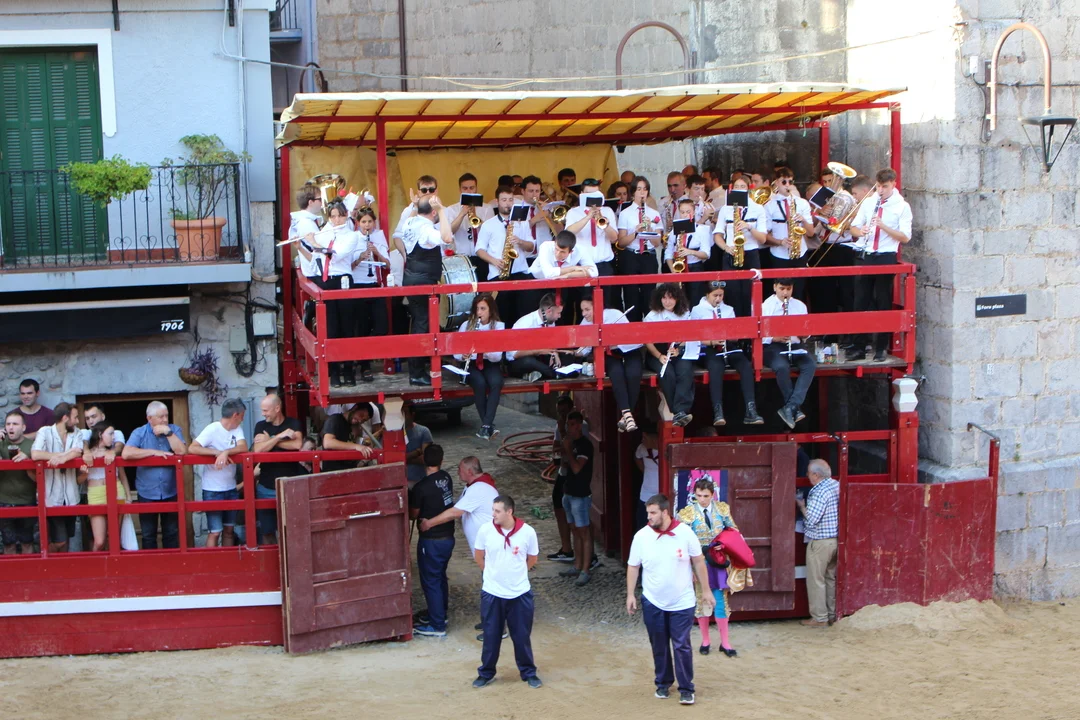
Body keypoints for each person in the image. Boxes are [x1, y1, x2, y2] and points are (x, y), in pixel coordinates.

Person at [626, 493, 714, 706]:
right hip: (652, 600)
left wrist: (706, 591)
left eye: (653, 513)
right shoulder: (641, 536)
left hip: (682, 601)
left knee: (681, 644)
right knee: (658, 643)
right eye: (648, 512)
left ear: (665, 512)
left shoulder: (685, 533)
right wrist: (630, 594)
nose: (649, 517)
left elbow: (699, 561)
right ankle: (663, 683)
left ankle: (686, 688)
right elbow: (633, 566)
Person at [420, 456, 501, 640]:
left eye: (460, 469)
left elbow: (455, 512)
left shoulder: (479, 489)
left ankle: (496, 628)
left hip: (491, 548)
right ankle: (490, 621)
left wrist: (429, 523)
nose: (457, 472)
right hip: (487, 548)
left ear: (469, 472)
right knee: (489, 585)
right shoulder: (474, 486)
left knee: (493, 588)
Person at [472, 494, 542, 689]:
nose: (493, 514)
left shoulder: (527, 532)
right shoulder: (485, 530)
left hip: (520, 593)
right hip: (492, 592)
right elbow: (479, 556)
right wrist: (491, 575)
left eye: (497, 511)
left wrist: (517, 575)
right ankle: (486, 672)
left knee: (522, 636)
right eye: (493, 510)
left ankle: (528, 673)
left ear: (509, 512)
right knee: (491, 636)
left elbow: (533, 558)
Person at [678, 478, 750, 657]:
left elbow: (734, 531)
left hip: (718, 562)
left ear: (712, 495)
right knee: (702, 601)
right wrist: (688, 569)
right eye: (699, 495)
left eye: (706, 496)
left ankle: (725, 643)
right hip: (698, 563)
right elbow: (681, 541)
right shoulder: (687, 513)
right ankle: (705, 641)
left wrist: (724, 544)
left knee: (720, 601)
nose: (702, 499)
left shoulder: (722, 509)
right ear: (694, 494)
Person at [848, 168, 912, 362]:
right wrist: (861, 231)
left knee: (883, 301)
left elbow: (905, 237)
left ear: (893, 184)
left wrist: (883, 226)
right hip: (866, 254)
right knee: (860, 300)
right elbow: (853, 227)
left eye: (884, 187)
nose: (881, 191)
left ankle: (881, 348)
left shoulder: (902, 206)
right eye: (878, 186)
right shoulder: (869, 202)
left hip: (886, 255)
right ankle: (858, 346)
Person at [395, 194, 454, 386]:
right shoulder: (427, 229)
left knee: (419, 324)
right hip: (423, 282)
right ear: (433, 212)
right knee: (423, 326)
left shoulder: (410, 221)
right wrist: (442, 211)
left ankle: (417, 370)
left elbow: (413, 215)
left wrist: (415, 204)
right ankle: (417, 373)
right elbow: (447, 237)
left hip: (411, 278)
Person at [692, 281, 762, 426]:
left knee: (745, 365)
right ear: (707, 295)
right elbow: (693, 336)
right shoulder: (697, 310)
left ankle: (751, 410)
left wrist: (730, 335)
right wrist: (711, 341)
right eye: (715, 295)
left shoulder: (728, 309)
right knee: (716, 367)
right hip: (708, 347)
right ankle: (718, 411)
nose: (718, 299)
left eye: (721, 295)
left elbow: (735, 336)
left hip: (727, 345)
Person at [123, 401, 188, 549]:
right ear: (149, 418)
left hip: (170, 490)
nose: (165, 420)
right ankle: (149, 563)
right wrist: (153, 452)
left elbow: (182, 451)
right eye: (161, 417)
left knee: (171, 533)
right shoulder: (140, 432)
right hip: (147, 492)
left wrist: (168, 433)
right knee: (148, 535)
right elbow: (126, 453)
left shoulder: (174, 430)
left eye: (166, 416)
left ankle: (171, 562)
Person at [409, 444, 456, 637]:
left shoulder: (421, 488)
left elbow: (413, 514)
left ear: (423, 460)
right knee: (440, 577)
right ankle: (440, 614)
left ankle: (437, 625)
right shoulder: (446, 478)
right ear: (442, 460)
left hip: (431, 541)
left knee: (431, 581)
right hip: (448, 537)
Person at [188, 398, 249, 548]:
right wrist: (216, 453)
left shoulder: (237, 429)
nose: (243, 419)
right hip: (213, 489)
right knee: (215, 532)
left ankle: (227, 559)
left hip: (230, 488)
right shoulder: (213, 429)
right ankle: (211, 560)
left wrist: (225, 452)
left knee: (229, 530)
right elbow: (193, 448)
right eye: (242, 416)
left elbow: (243, 447)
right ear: (235, 415)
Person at [578, 297, 643, 432]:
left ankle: (625, 417)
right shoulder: (585, 323)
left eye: (587, 309)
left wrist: (611, 338)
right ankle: (628, 416)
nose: (584, 314)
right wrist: (577, 352)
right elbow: (585, 349)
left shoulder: (615, 314)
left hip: (629, 350)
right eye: (582, 310)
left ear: (597, 306)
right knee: (616, 373)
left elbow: (629, 337)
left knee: (633, 374)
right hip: (609, 353)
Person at [315, 200, 361, 386]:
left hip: (344, 280)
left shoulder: (351, 236)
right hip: (328, 281)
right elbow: (315, 248)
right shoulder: (326, 231)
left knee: (347, 328)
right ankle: (334, 372)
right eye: (333, 216)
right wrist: (310, 239)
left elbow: (336, 254)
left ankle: (348, 371)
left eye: (340, 216)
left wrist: (314, 242)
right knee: (331, 328)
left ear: (346, 216)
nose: (336, 220)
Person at [475, 185, 536, 326]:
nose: (508, 203)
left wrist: (520, 241)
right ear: (497, 201)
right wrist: (494, 261)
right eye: (504, 200)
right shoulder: (489, 225)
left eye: (510, 200)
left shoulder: (522, 222)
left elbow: (532, 247)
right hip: (499, 274)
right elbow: (479, 249)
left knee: (523, 316)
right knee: (502, 317)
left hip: (520, 273)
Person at [762, 278, 817, 429]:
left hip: (795, 344)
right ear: (775, 287)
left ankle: (791, 406)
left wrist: (803, 334)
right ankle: (794, 408)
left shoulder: (799, 305)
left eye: (788, 289)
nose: (785, 293)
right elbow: (759, 334)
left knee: (810, 365)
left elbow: (807, 332)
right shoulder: (766, 306)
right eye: (782, 289)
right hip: (773, 346)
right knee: (781, 367)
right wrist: (775, 337)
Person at [713, 175, 770, 318]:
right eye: (736, 187)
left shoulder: (758, 208)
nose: (739, 190)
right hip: (731, 253)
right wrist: (726, 248)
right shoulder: (726, 209)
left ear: (749, 189)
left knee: (750, 294)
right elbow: (717, 235)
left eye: (742, 187)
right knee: (732, 294)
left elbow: (763, 238)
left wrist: (749, 227)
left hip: (750, 254)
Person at [30, 402, 84, 553]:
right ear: (65, 418)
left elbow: (78, 451)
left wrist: (62, 458)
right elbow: (36, 454)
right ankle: (41, 556)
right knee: (60, 541)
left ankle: (62, 565)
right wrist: (62, 455)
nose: (77, 421)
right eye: (75, 417)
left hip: (71, 496)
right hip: (52, 497)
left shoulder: (77, 432)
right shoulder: (45, 431)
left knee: (67, 537)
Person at [251, 394, 303, 545]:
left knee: (291, 530)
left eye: (266, 410)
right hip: (266, 486)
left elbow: (297, 445)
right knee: (267, 531)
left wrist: (270, 441)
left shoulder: (293, 423)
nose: (263, 414)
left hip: (289, 486)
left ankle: (290, 560)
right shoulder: (260, 426)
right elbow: (258, 450)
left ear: (277, 408)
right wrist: (280, 436)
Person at [643, 283, 696, 427]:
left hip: (677, 350)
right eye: (664, 298)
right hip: (657, 352)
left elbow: (690, 334)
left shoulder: (684, 313)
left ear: (677, 299)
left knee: (685, 371)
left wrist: (679, 348)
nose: (667, 302)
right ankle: (678, 411)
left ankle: (681, 410)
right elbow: (648, 341)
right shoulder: (652, 316)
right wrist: (659, 355)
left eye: (671, 298)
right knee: (667, 373)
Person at [454, 294, 506, 440]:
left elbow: (497, 357)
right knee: (480, 383)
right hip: (471, 363)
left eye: (483, 309)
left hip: (489, 362)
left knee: (496, 382)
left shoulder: (498, 326)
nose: (479, 313)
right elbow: (456, 353)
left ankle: (486, 426)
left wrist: (483, 347)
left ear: (491, 310)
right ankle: (487, 426)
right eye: (477, 309)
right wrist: (462, 355)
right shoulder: (466, 325)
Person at [349, 206, 391, 382]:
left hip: (374, 284)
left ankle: (361, 353)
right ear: (358, 223)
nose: (367, 225)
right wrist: (360, 257)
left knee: (382, 326)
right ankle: (364, 365)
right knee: (362, 327)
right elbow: (347, 267)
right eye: (364, 222)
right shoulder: (352, 239)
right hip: (357, 286)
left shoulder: (378, 237)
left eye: (370, 222)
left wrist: (376, 253)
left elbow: (387, 264)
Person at [797, 459, 840, 627]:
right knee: (830, 578)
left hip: (820, 541)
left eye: (808, 473)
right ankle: (832, 614)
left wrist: (802, 506)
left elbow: (813, 518)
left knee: (816, 580)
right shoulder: (836, 485)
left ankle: (819, 618)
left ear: (816, 475)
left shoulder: (819, 491)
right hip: (835, 540)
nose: (807, 476)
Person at [616, 176, 665, 321]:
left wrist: (649, 229)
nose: (642, 192)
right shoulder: (625, 213)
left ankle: (649, 327)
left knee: (649, 296)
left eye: (645, 189)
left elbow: (657, 243)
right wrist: (636, 233)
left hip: (648, 256)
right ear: (633, 192)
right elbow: (621, 242)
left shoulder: (654, 214)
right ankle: (633, 329)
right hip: (631, 256)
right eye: (638, 189)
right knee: (631, 296)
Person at [557, 411, 595, 587]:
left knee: (584, 532)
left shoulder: (585, 445)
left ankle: (586, 569)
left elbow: (577, 468)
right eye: (568, 425)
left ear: (579, 425)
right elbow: (566, 467)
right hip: (568, 492)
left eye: (572, 425)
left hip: (580, 494)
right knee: (575, 530)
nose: (570, 428)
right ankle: (577, 565)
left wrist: (567, 451)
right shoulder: (571, 444)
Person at [764, 167, 814, 299]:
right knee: (780, 292)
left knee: (799, 292)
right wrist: (780, 242)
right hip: (779, 255)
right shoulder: (769, 205)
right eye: (783, 182)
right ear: (776, 182)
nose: (787, 185)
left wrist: (803, 220)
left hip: (800, 253)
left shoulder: (802, 203)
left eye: (790, 182)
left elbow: (810, 233)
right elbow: (764, 236)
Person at [82, 422, 133, 552]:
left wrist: (128, 496)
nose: (113, 437)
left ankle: (114, 565)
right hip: (95, 493)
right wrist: (84, 472)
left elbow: (122, 474)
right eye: (110, 434)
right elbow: (79, 480)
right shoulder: (86, 453)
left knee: (113, 537)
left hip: (116, 490)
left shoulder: (113, 452)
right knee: (99, 541)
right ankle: (95, 564)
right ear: (100, 435)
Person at [505, 293, 574, 381]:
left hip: (540, 356)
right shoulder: (526, 323)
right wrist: (539, 351)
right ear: (549, 311)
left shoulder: (550, 321)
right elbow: (514, 354)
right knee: (530, 362)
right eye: (558, 313)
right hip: (519, 361)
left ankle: (546, 372)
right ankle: (555, 374)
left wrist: (554, 353)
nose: (559, 316)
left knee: (567, 355)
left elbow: (551, 342)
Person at [563, 178, 617, 276]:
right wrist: (588, 217)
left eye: (595, 194)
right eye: (588, 194)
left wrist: (603, 221)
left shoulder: (607, 211)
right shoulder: (573, 212)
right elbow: (568, 233)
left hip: (604, 264)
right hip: (581, 265)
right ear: (582, 194)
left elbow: (614, 239)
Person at [0, 410, 37, 555]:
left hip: (26, 500)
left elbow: (38, 478)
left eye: (15, 424)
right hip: (3, 501)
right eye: (8, 424)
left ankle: (30, 570)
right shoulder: (1, 443)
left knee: (27, 542)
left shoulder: (32, 446)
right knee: (8, 544)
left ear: (23, 427)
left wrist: (27, 462)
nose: (11, 427)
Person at [547, 395, 577, 563]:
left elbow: (571, 447)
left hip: (574, 474)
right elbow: (556, 448)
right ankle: (566, 548)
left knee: (576, 513)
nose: (562, 416)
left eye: (565, 412)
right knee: (558, 506)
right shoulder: (559, 426)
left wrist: (563, 432)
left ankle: (581, 554)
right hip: (563, 471)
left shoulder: (578, 427)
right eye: (560, 412)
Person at [664, 197, 712, 304]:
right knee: (680, 302)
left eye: (688, 212)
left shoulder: (702, 230)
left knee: (695, 300)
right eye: (682, 212)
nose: (685, 215)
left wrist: (690, 252)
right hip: (678, 269)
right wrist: (673, 270)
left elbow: (706, 254)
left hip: (695, 268)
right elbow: (668, 253)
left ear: (694, 212)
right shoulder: (674, 231)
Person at [290, 185, 324, 331]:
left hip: (311, 268)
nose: (322, 202)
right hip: (315, 270)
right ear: (310, 202)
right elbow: (317, 249)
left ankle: (312, 307)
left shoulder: (303, 220)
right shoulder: (306, 223)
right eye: (319, 199)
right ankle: (312, 308)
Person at [447, 172, 494, 277]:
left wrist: (475, 216)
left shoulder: (487, 208)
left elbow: (491, 233)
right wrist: (462, 214)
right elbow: (449, 232)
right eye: (465, 188)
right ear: (460, 190)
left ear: (476, 188)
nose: (469, 191)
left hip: (483, 257)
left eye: (472, 188)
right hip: (462, 258)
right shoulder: (451, 209)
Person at [319, 404, 375, 471]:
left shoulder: (354, 427)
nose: (360, 420)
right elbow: (328, 443)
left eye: (363, 420)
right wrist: (356, 446)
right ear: (355, 408)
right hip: (334, 470)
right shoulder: (335, 420)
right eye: (361, 415)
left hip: (349, 468)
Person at [529, 230, 598, 281]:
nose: (558, 254)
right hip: (536, 279)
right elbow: (549, 273)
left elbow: (594, 272)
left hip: (563, 281)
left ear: (571, 252)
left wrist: (569, 275)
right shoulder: (545, 246)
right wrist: (573, 268)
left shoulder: (580, 250)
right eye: (556, 249)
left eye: (562, 252)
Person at [632, 426, 659, 531]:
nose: (642, 440)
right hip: (645, 495)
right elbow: (637, 457)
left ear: (653, 438)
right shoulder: (642, 448)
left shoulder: (667, 448)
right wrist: (645, 471)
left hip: (661, 496)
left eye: (645, 437)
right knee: (643, 527)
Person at [403, 403, 433, 488]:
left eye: (405, 413)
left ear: (412, 414)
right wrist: (416, 453)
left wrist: (402, 459)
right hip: (401, 481)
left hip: (419, 481)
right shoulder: (393, 433)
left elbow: (425, 459)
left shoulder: (423, 431)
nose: (402, 416)